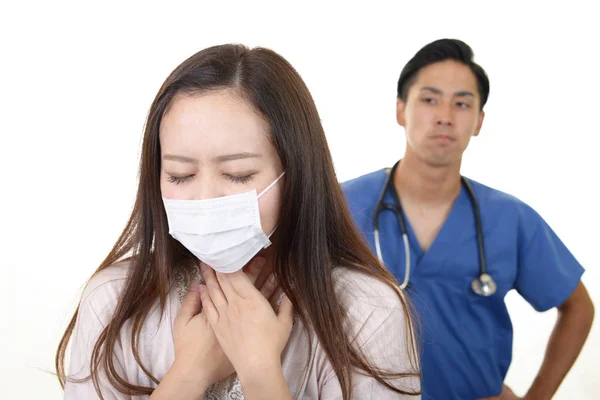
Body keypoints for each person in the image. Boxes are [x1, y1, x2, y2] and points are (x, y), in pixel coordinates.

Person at [55, 44, 421, 399]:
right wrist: (188, 375)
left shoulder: (366, 310)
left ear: (295, 173)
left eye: (238, 174)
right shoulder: (113, 301)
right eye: (180, 175)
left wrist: (260, 371)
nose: (205, 198)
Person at [341, 38, 594, 400]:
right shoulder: (340, 206)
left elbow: (578, 308)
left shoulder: (510, 219)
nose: (445, 115)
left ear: (478, 121)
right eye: (429, 99)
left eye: (462, 103)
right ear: (401, 110)